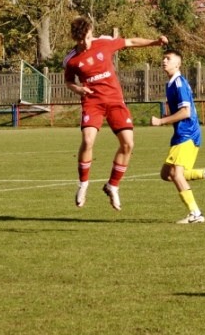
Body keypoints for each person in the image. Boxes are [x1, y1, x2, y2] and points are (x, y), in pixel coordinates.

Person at [63, 16, 167, 211]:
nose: (85, 43)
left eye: (87, 38)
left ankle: (112, 186)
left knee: (128, 143)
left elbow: (130, 42)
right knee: (88, 140)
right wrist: (78, 89)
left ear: (91, 32)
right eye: (80, 40)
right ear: (74, 38)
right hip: (92, 102)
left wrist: (155, 42)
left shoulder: (104, 43)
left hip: (115, 101)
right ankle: (83, 184)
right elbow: (68, 81)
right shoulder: (71, 60)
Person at [150, 49, 205, 224]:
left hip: (187, 133)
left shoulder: (179, 84)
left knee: (176, 173)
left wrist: (161, 121)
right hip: (182, 133)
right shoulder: (171, 84)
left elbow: (186, 112)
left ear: (178, 63)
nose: (164, 61)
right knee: (167, 174)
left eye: (168, 58)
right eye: (163, 58)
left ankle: (195, 213)